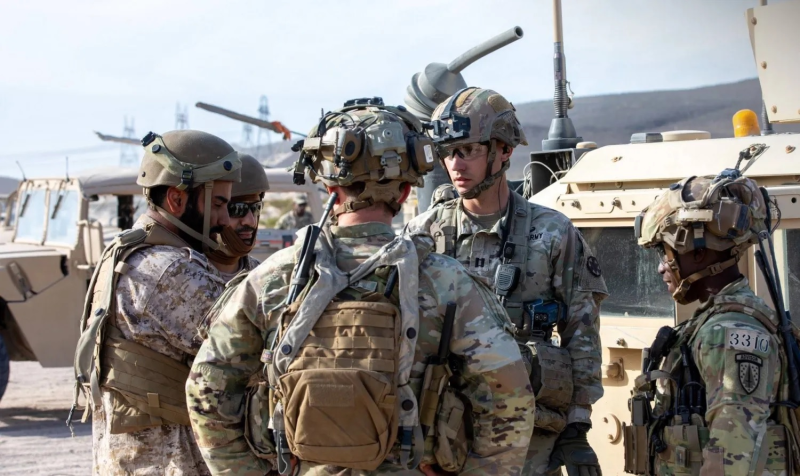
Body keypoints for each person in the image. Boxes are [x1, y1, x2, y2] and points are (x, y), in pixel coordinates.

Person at [186, 100, 535, 475]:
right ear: (405, 193)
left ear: (330, 188)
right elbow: (509, 397)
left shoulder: (272, 278)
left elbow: (207, 389)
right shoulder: (446, 282)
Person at [406, 87, 608, 476]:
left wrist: (577, 428)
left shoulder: (553, 233)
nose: (455, 164)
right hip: (440, 443)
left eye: (468, 150)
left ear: (503, 150)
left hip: (526, 444)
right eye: (448, 152)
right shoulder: (423, 235)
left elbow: (582, 335)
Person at [71, 130, 242, 476]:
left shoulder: (127, 251)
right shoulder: (170, 270)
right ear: (177, 199)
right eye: (218, 204)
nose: (225, 220)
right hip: (171, 462)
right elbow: (253, 346)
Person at [630, 171, 790, 475]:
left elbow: (733, 457)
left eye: (665, 253)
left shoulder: (727, 332)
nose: (662, 268)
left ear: (699, 253)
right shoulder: (712, 322)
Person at [207, 153, 270, 281]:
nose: (251, 222)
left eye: (256, 208)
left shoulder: (261, 275)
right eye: (237, 209)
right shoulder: (182, 274)